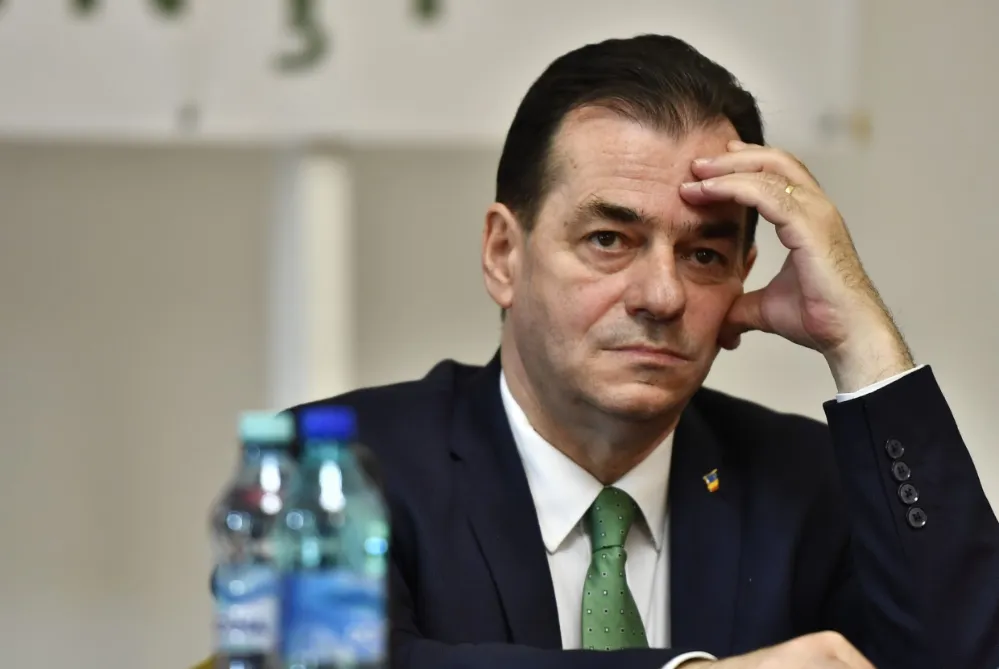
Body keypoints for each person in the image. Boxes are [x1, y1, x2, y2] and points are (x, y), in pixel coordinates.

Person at [196, 34, 999, 669]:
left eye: (705, 254)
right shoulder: (326, 466)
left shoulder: (809, 483)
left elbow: (963, 654)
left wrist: (860, 337)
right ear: (503, 253)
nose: (661, 295)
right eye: (610, 239)